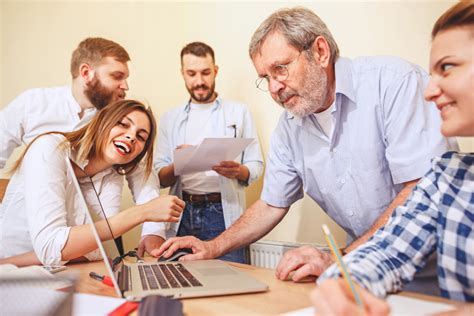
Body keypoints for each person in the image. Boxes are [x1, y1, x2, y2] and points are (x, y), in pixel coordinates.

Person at [155, 7, 458, 292]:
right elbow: (271, 204)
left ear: (320, 52)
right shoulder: (290, 127)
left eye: (280, 69)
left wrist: (340, 258)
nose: (274, 87)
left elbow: (421, 189)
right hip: (365, 273)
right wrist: (213, 247)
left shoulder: (393, 83)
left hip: (438, 274)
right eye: (266, 78)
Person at [311, 2, 474, 314]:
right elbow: (388, 251)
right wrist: (343, 284)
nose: (429, 91)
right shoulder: (447, 177)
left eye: (448, 67)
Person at [0, 37, 166, 254]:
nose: (125, 86)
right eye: (117, 76)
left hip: (82, 246)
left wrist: (153, 230)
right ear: (86, 73)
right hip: (25, 241)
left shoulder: (117, 123)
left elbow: (143, 176)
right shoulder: (34, 104)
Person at [0, 100, 185, 266]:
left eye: (141, 137)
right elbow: (51, 249)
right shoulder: (49, 149)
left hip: (58, 271)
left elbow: (100, 249)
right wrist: (143, 212)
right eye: (122, 124)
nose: (131, 137)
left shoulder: (111, 175)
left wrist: (71, 247)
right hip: (14, 274)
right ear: (102, 122)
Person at [140, 42, 264, 263]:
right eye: (191, 73)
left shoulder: (239, 112)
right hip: (182, 213)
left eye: (206, 73)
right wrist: (180, 164)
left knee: (232, 280)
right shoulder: (170, 118)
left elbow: (256, 164)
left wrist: (239, 171)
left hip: (224, 215)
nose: (199, 81)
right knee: (182, 280)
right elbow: (159, 176)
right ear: (182, 74)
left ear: (215, 70)